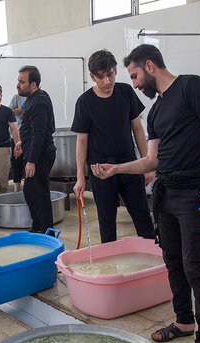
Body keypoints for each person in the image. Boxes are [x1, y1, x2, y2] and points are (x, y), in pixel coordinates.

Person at [92, 45, 200, 343]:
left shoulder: (192, 87)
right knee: (173, 261)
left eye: (136, 76)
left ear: (150, 66)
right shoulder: (154, 112)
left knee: (197, 266)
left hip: (195, 193)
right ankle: (184, 321)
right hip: (165, 195)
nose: (136, 84)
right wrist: (115, 169)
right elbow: (152, 160)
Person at [71, 49, 154, 244]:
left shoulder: (126, 92)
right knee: (107, 220)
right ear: (92, 76)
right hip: (100, 169)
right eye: (100, 77)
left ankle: (155, 259)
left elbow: (138, 130)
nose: (107, 81)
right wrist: (80, 177)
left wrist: (147, 163)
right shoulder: (85, 102)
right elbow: (81, 141)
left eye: (110, 74)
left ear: (116, 70)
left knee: (142, 215)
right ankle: (110, 267)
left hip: (129, 165)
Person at [16, 66, 56, 234]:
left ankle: (47, 232)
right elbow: (31, 129)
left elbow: (38, 133)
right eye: (18, 81)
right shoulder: (33, 98)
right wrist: (21, 143)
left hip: (39, 155)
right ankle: (38, 227)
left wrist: (31, 161)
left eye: (22, 82)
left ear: (33, 84)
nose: (18, 85)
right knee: (30, 192)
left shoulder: (39, 101)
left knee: (39, 194)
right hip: (34, 151)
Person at [9, 93, 28, 192]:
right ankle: (16, 191)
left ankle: (29, 189)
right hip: (17, 136)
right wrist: (22, 107)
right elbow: (11, 112)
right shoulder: (17, 97)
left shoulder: (39, 98)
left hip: (30, 138)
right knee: (16, 163)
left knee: (29, 163)